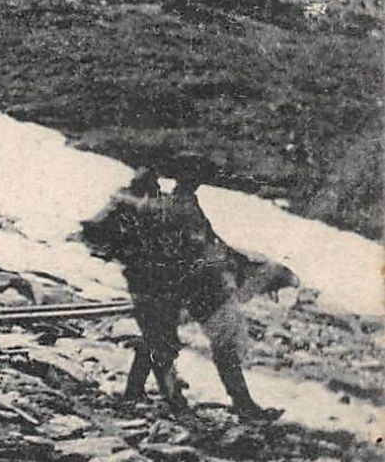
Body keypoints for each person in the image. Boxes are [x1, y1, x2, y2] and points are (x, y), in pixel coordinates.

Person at [81, 161, 294, 421]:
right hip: (170, 287)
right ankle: (206, 406)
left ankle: (141, 395)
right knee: (186, 345)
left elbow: (205, 247)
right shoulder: (177, 208)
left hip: (162, 287)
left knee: (161, 342)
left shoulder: (162, 205)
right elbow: (206, 248)